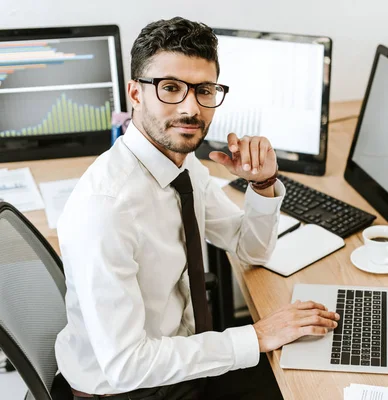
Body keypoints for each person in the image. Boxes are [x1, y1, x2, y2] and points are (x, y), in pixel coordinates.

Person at [55, 16, 339, 400]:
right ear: (135, 94)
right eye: (170, 88)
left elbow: (250, 249)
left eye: (204, 90)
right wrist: (257, 335)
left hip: (180, 354)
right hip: (131, 389)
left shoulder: (182, 162)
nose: (191, 108)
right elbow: (126, 366)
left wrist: (263, 183)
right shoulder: (105, 210)